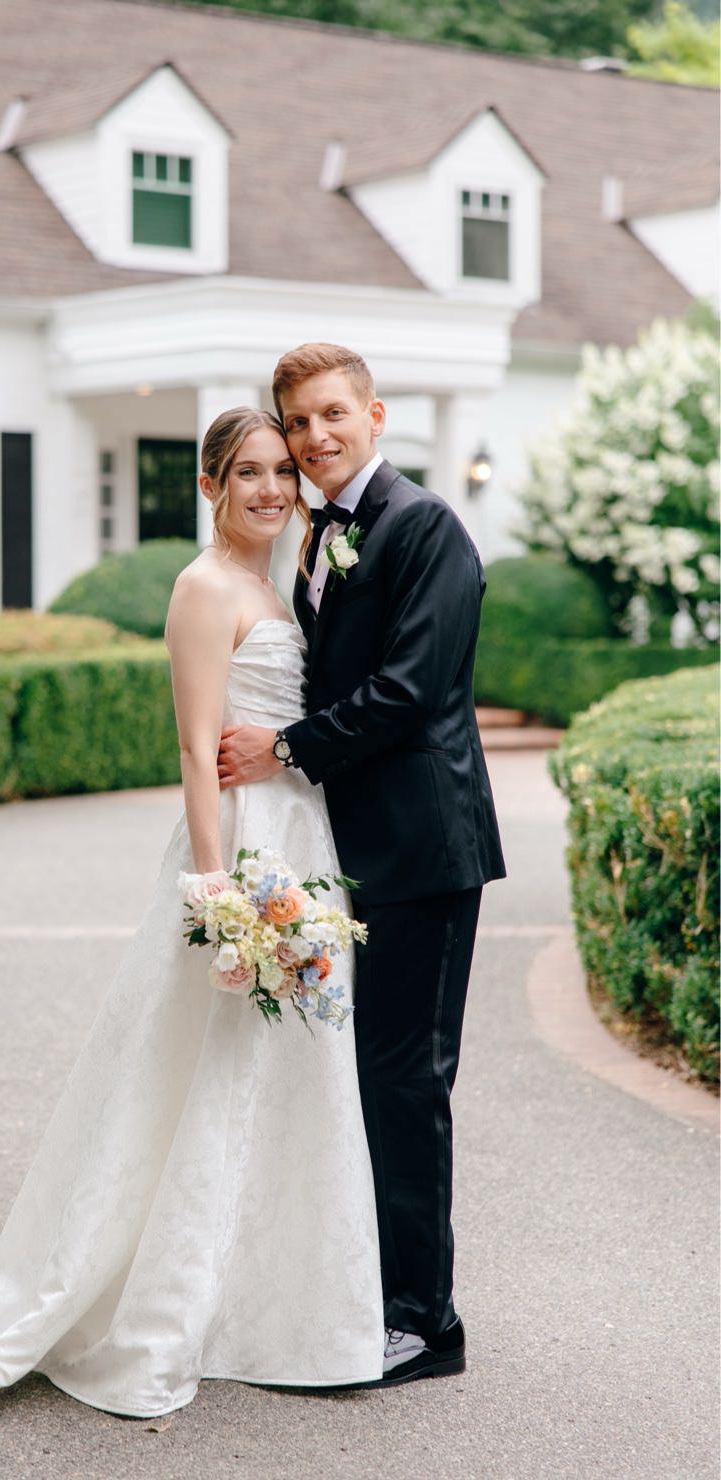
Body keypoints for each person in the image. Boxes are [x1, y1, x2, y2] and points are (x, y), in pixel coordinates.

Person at [0, 407, 382, 1420]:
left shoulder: (285, 578)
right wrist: (219, 894)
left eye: (282, 472)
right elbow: (196, 750)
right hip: (239, 849)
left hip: (303, 839)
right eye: (247, 474)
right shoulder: (201, 590)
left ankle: (273, 1302)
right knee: (198, 1066)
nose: (271, 490)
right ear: (209, 485)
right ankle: (158, 1299)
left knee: (292, 1069)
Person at [218, 343, 504, 1387]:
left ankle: (425, 1322)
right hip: (349, 854)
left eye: (331, 414)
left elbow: (409, 693)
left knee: (405, 1082)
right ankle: (371, 1290)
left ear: (374, 415)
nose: (313, 437)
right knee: (361, 1081)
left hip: (423, 850)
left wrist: (282, 749)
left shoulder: (422, 526)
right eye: (296, 423)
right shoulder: (317, 536)